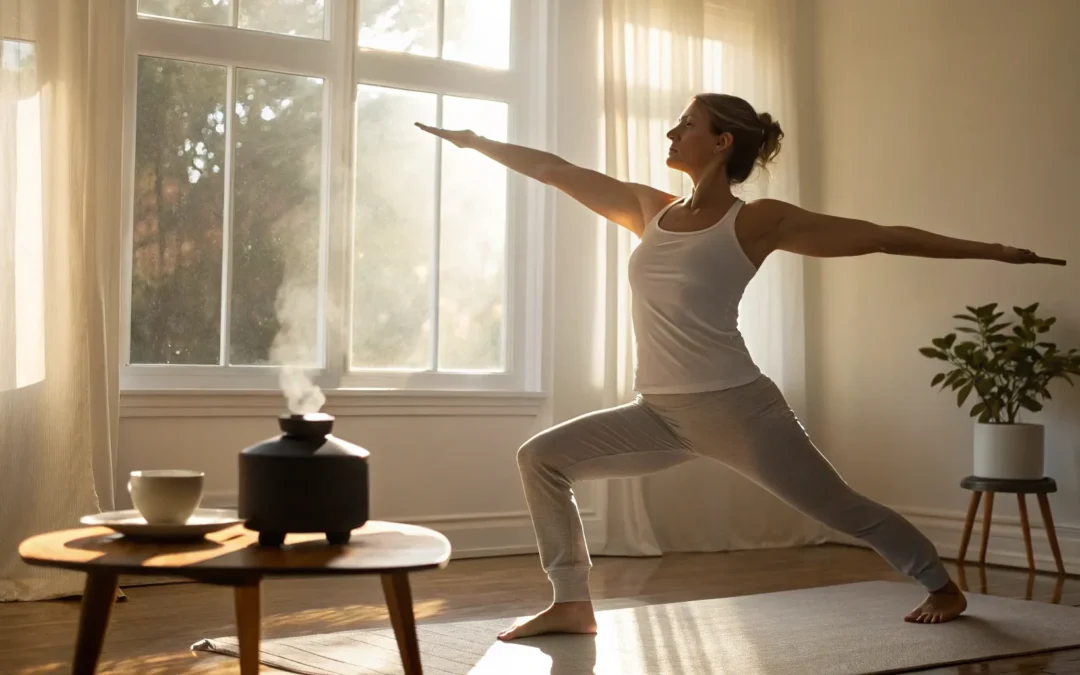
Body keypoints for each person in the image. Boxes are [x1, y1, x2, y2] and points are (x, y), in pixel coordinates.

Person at [415, 92, 1065, 641]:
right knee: (542, 457)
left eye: (687, 124)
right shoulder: (652, 210)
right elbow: (556, 169)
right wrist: (474, 141)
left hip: (739, 410)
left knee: (842, 508)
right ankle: (573, 601)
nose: (672, 131)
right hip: (659, 412)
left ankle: (942, 586)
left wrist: (998, 251)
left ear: (723, 142)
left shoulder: (755, 222)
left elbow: (883, 235)